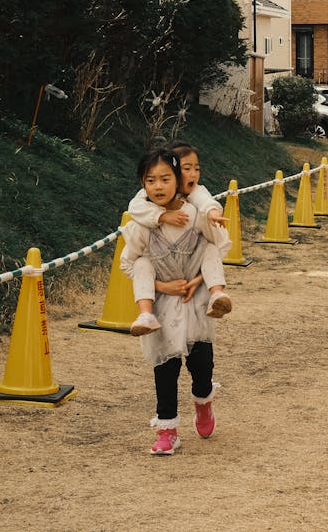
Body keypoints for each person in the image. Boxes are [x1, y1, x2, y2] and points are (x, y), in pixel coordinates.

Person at [121, 148, 232, 455]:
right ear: (142, 184)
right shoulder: (141, 225)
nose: (158, 186)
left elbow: (220, 246)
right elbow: (127, 264)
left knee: (201, 366)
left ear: (178, 179)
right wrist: (161, 286)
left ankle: (203, 403)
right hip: (160, 305)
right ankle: (168, 431)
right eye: (150, 180)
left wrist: (199, 280)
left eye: (165, 178)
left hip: (197, 301)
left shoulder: (194, 214)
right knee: (165, 369)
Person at [127, 141, 231, 337]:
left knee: (201, 358)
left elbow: (207, 202)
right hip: (162, 296)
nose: (192, 174)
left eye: (196, 168)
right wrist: (162, 216)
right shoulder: (145, 207)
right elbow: (134, 208)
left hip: (195, 291)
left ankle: (217, 293)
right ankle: (146, 315)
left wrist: (213, 212)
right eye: (186, 168)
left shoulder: (195, 200)